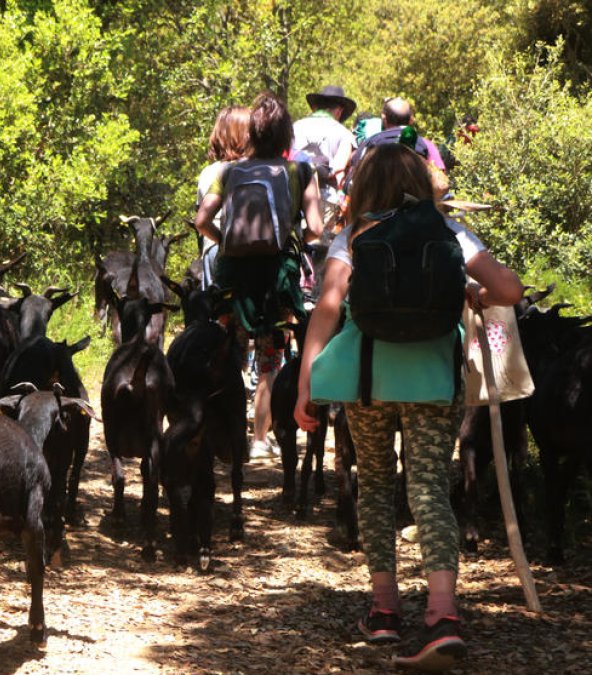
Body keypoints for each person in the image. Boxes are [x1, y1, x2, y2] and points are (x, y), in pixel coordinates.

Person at [294, 143, 523, 671]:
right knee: (428, 490)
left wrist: (307, 385)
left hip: (367, 380)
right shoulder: (449, 234)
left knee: (374, 485)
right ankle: (443, 616)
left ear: (365, 187)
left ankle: (383, 611)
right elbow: (509, 288)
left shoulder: (353, 238)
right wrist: (469, 290)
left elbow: (326, 310)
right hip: (432, 383)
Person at [194, 91, 325, 459]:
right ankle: (259, 439)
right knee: (269, 360)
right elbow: (314, 229)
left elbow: (202, 220)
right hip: (276, 277)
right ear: (286, 135)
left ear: (251, 132)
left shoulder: (229, 171)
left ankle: (219, 433)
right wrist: (292, 236)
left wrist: (226, 242)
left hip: (233, 275)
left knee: (225, 354)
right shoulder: (300, 172)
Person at [196, 105, 252, 290]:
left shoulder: (208, 173)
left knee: (215, 313)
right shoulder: (257, 171)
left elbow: (201, 223)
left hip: (213, 249)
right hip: (251, 252)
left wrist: (220, 241)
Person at [292, 85, 357, 228]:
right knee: (320, 245)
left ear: (315, 108)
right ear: (339, 111)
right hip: (325, 197)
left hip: (294, 192)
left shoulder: (295, 127)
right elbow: (339, 167)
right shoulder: (344, 133)